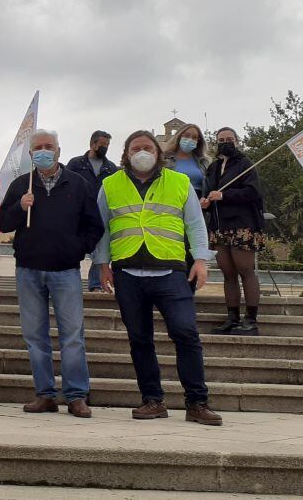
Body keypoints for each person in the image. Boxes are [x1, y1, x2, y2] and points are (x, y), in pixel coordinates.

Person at [94, 130, 222, 426]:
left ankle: (197, 402)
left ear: (158, 152)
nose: (142, 152)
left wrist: (201, 260)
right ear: (125, 154)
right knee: (139, 339)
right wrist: (102, 265)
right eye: (135, 148)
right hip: (127, 273)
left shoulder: (180, 182)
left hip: (171, 272)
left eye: (147, 147)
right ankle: (152, 400)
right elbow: (102, 228)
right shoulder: (109, 185)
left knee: (186, 334)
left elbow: (195, 223)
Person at [0, 130, 103, 418]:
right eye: (38, 148)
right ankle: (44, 394)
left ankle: (76, 395)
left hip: (65, 270)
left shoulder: (77, 184)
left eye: (48, 146)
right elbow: (2, 223)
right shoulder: (22, 184)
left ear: (58, 150)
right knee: (35, 336)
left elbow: (94, 225)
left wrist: (77, 248)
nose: (43, 151)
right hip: (29, 269)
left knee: (72, 336)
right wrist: (20, 207)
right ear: (31, 154)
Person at [202, 127, 265, 336]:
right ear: (216, 142)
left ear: (237, 141)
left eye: (230, 139)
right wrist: (206, 203)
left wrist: (225, 196)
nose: (226, 142)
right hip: (219, 227)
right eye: (222, 139)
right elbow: (208, 193)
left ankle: (251, 320)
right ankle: (232, 317)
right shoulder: (213, 167)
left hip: (242, 225)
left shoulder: (246, 164)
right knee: (228, 274)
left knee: (245, 270)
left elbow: (253, 192)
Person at [68, 131, 118, 292]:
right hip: (79, 212)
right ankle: (69, 280)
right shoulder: (76, 164)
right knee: (74, 247)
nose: (105, 148)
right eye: (102, 144)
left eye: (108, 145)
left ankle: (95, 283)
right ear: (93, 144)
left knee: (101, 248)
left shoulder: (111, 168)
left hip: (101, 213)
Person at [163, 123, 210, 198]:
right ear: (179, 136)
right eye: (186, 135)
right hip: (172, 201)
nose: (190, 139)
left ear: (198, 141)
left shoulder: (203, 162)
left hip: (198, 203)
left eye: (194, 137)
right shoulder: (165, 160)